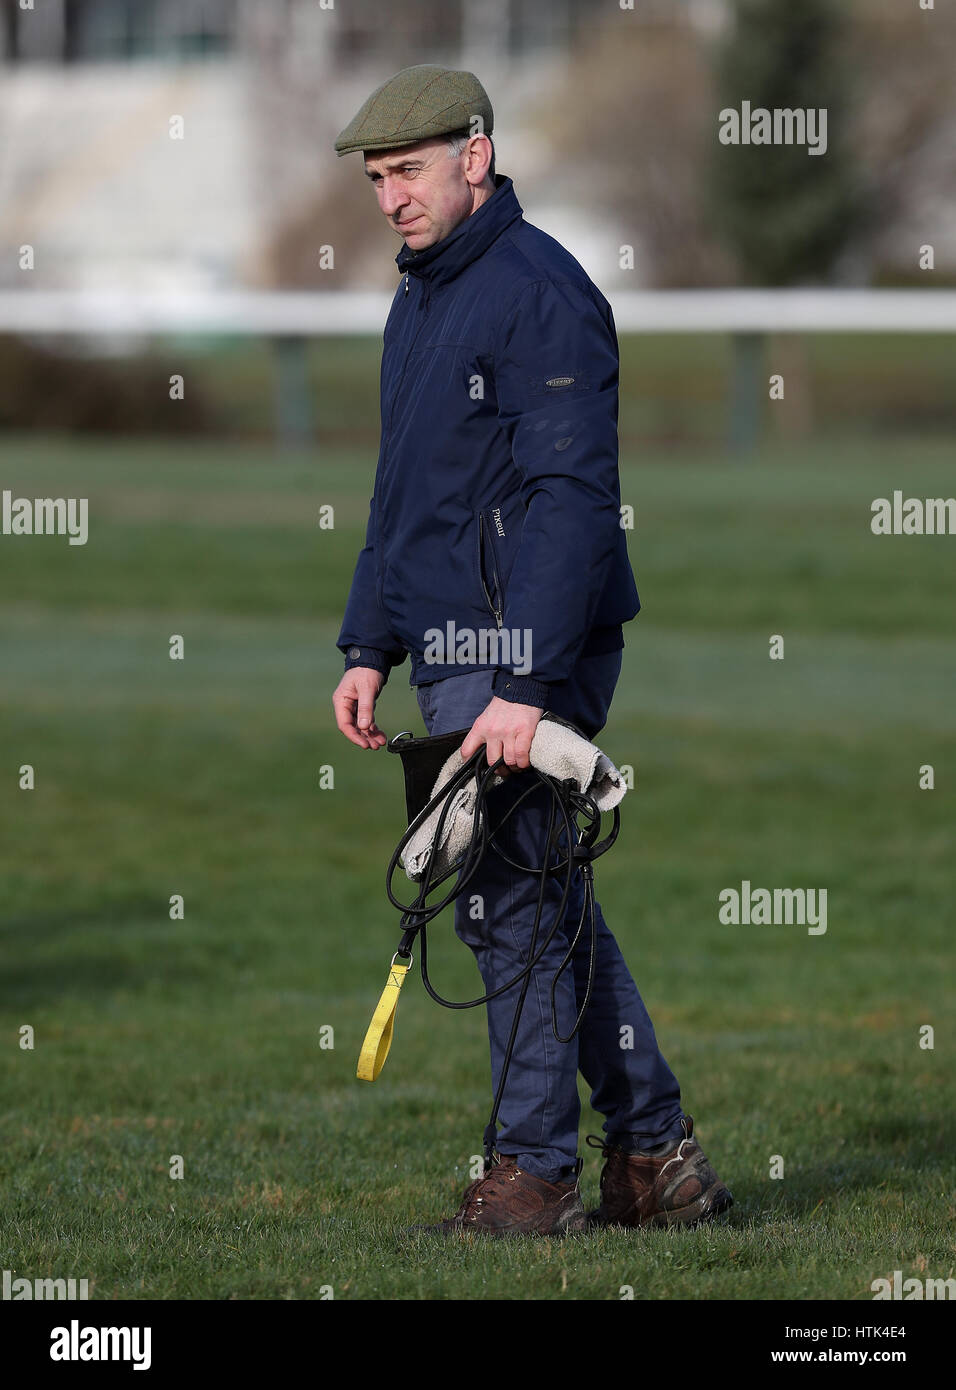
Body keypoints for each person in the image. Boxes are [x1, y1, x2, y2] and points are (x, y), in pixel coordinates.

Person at [331, 64, 732, 1236]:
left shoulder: (536, 290)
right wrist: (370, 639)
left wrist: (525, 683)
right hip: (457, 647)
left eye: (406, 171)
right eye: (374, 179)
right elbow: (402, 489)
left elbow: (570, 500)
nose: (389, 199)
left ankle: (530, 1177)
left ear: (474, 154)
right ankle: (655, 1158)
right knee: (545, 899)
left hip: (522, 648)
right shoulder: (421, 295)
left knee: (512, 906)